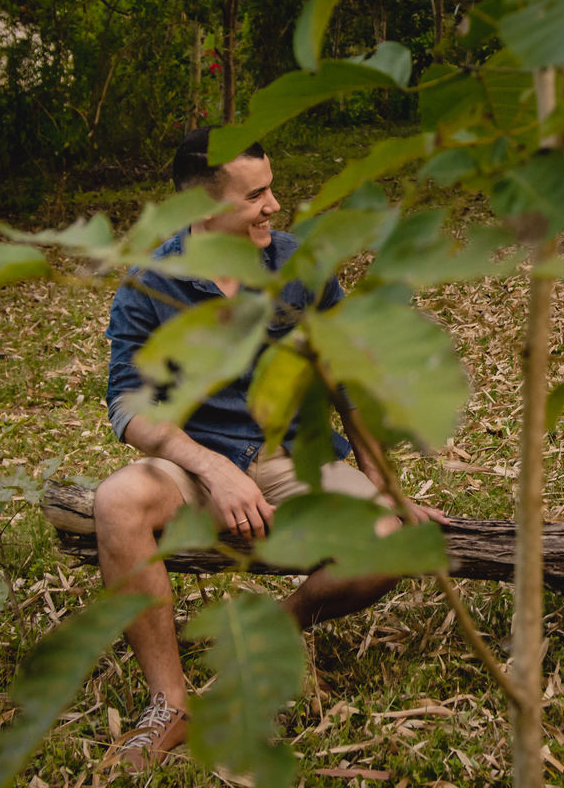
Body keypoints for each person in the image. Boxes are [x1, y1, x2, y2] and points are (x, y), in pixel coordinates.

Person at [95, 127, 445, 771]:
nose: (275, 206)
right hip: (194, 461)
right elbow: (127, 404)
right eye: (256, 195)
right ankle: (170, 704)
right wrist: (211, 467)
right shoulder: (152, 282)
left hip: (291, 459)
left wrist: (381, 474)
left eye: (272, 189)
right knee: (117, 499)